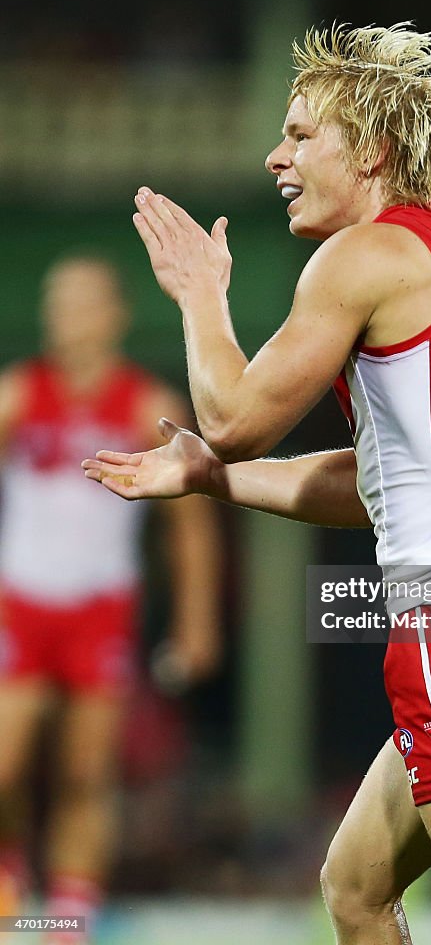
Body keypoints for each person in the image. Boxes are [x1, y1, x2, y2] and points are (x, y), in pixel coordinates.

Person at [83, 23, 431, 945]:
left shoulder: (363, 256)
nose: (278, 156)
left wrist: (203, 296)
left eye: (303, 133)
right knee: (355, 890)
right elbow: (381, 488)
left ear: (375, 151)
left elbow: (236, 416)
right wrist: (209, 477)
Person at [0, 255, 223, 944]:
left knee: (84, 775)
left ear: (114, 316)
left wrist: (196, 622)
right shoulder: (15, 394)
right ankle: (11, 883)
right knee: (5, 762)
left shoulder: (146, 407)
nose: (64, 316)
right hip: (21, 604)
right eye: (54, 301)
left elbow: (190, 525)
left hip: (100, 611)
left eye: (80, 302)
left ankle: (66, 918)